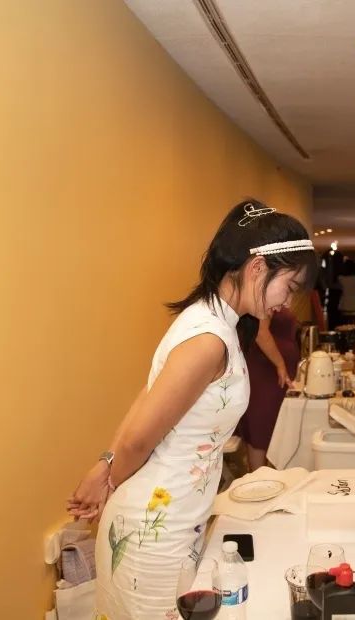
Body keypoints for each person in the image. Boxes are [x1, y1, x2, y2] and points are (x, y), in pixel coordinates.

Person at [66, 201, 316, 619]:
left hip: (176, 517)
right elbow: (138, 437)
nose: (287, 302)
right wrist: (109, 474)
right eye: (288, 287)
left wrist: (106, 466)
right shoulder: (209, 339)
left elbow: (145, 399)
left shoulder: (217, 323)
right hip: (156, 530)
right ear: (257, 268)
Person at [236, 307, 300, 470]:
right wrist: (280, 364)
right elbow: (260, 331)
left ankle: (267, 477)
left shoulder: (277, 300)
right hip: (265, 371)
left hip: (271, 374)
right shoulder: (264, 299)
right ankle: (257, 478)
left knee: (270, 428)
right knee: (260, 429)